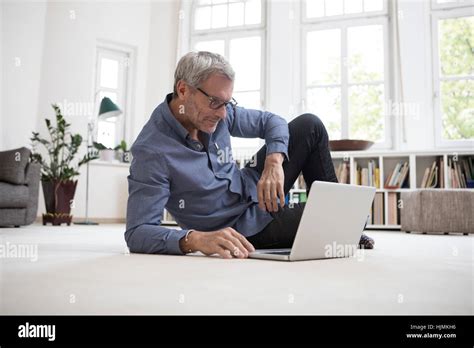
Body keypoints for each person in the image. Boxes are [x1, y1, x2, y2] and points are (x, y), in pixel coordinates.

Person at [125, 51, 374, 259]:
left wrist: (274, 161)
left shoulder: (217, 111)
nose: (223, 114)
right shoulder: (151, 152)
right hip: (241, 226)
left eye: (227, 103)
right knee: (353, 219)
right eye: (215, 102)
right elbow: (138, 232)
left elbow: (272, 121)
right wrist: (195, 239)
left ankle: (338, 222)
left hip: (254, 186)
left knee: (310, 125)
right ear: (183, 90)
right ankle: (341, 229)